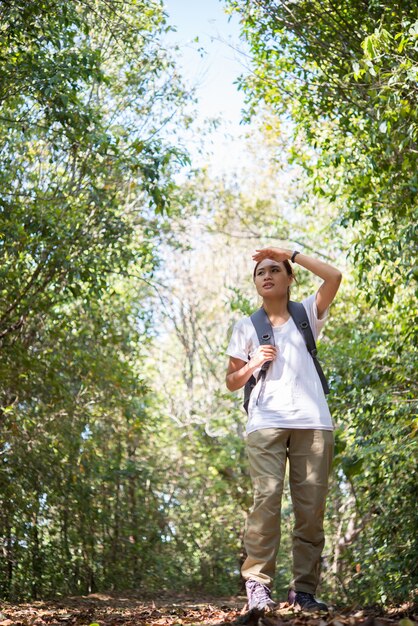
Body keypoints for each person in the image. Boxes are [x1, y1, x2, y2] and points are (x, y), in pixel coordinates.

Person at [225, 246, 342, 613]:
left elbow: (334, 277)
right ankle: (257, 585)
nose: (267, 276)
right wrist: (252, 364)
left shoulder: (307, 313)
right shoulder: (246, 327)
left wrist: (290, 252)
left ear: (290, 278)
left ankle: (303, 591)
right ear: (256, 283)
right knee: (267, 499)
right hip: (265, 424)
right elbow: (231, 381)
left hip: (314, 423)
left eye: (275, 269)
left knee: (311, 510)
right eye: (260, 272)